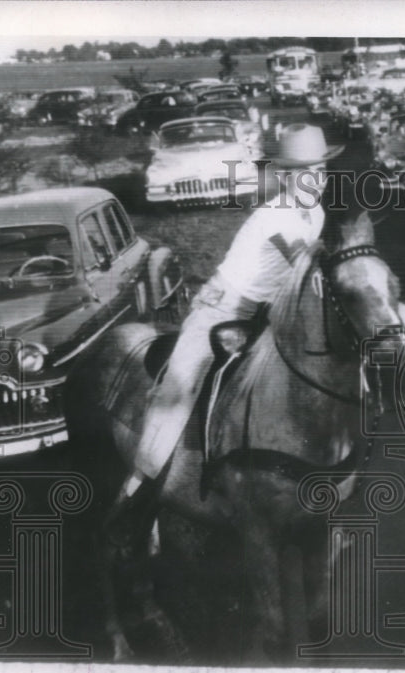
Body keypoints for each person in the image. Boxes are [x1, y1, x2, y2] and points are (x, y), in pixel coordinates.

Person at [105, 124, 344, 525]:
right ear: (285, 176)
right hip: (222, 309)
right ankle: (138, 489)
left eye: (320, 171)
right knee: (177, 391)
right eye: (306, 173)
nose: (316, 181)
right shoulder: (278, 216)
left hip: (266, 313)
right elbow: (311, 275)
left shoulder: (313, 211)